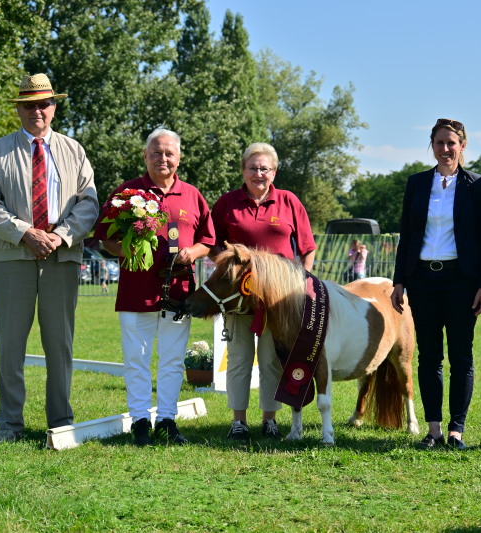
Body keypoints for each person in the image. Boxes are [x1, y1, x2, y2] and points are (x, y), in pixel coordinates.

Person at [0, 73, 99, 443]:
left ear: (54, 107)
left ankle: (61, 421)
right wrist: (25, 233)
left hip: (61, 260)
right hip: (12, 259)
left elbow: (89, 203)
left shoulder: (74, 151)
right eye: (29, 104)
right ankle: (10, 425)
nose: (37, 111)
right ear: (18, 108)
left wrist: (59, 237)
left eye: (43, 103)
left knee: (60, 344)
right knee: (11, 345)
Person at [97, 128, 215, 446]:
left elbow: (209, 239)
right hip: (137, 288)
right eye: (156, 152)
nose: (163, 158)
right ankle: (139, 422)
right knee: (136, 357)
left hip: (179, 289)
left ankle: (166, 420)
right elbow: (104, 236)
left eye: (169, 153)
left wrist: (195, 251)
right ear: (145, 156)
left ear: (178, 157)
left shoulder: (192, 195)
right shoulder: (127, 192)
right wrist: (124, 250)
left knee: (173, 359)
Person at [390, 118, 481, 450]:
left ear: (463, 146)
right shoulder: (417, 184)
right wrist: (399, 282)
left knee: (461, 356)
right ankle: (433, 430)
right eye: (439, 143)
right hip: (422, 279)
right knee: (429, 357)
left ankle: (456, 431)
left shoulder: (477, 185)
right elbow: (407, 234)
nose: (446, 149)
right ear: (431, 146)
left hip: (461, 281)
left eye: (452, 143)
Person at [211, 142, 316, 441]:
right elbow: (212, 244)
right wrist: (228, 265)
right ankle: (238, 421)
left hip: (279, 300)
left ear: (274, 171)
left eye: (264, 168)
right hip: (238, 298)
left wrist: (302, 282)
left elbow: (307, 248)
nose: (259, 173)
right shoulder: (227, 203)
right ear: (243, 170)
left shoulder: (289, 201)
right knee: (240, 358)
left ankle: (270, 419)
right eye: (253, 168)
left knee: (271, 359)